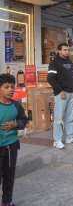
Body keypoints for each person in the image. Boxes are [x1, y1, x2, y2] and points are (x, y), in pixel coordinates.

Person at [47, 43, 73, 149]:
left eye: (68, 50)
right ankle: (57, 140)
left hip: (71, 93)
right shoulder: (54, 63)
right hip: (61, 94)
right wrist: (59, 91)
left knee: (70, 117)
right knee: (58, 118)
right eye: (65, 50)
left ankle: (69, 137)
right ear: (59, 51)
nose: (67, 52)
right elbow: (50, 78)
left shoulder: (70, 62)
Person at [0, 74, 28, 206]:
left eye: (12, 87)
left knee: (9, 177)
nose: (10, 89)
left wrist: (15, 124)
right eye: (6, 87)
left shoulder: (16, 105)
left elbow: (24, 119)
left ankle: (7, 201)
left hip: (11, 147)